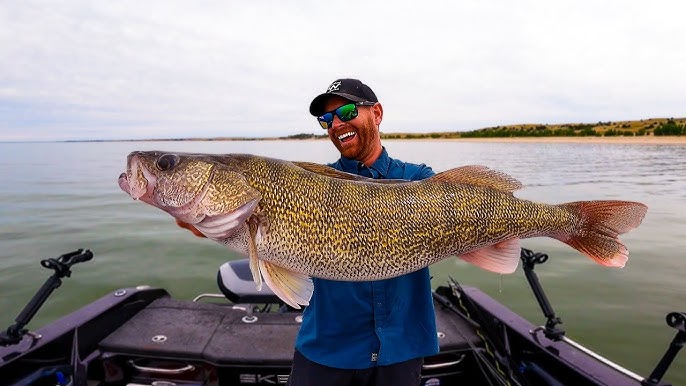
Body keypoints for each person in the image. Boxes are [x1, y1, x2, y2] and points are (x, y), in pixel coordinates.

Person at [287, 79, 439, 386]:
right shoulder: (311, 185)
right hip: (328, 347)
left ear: (377, 113)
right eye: (327, 119)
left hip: (402, 347)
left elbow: (465, 211)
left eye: (346, 110)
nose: (336, 123)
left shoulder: (419, 179)